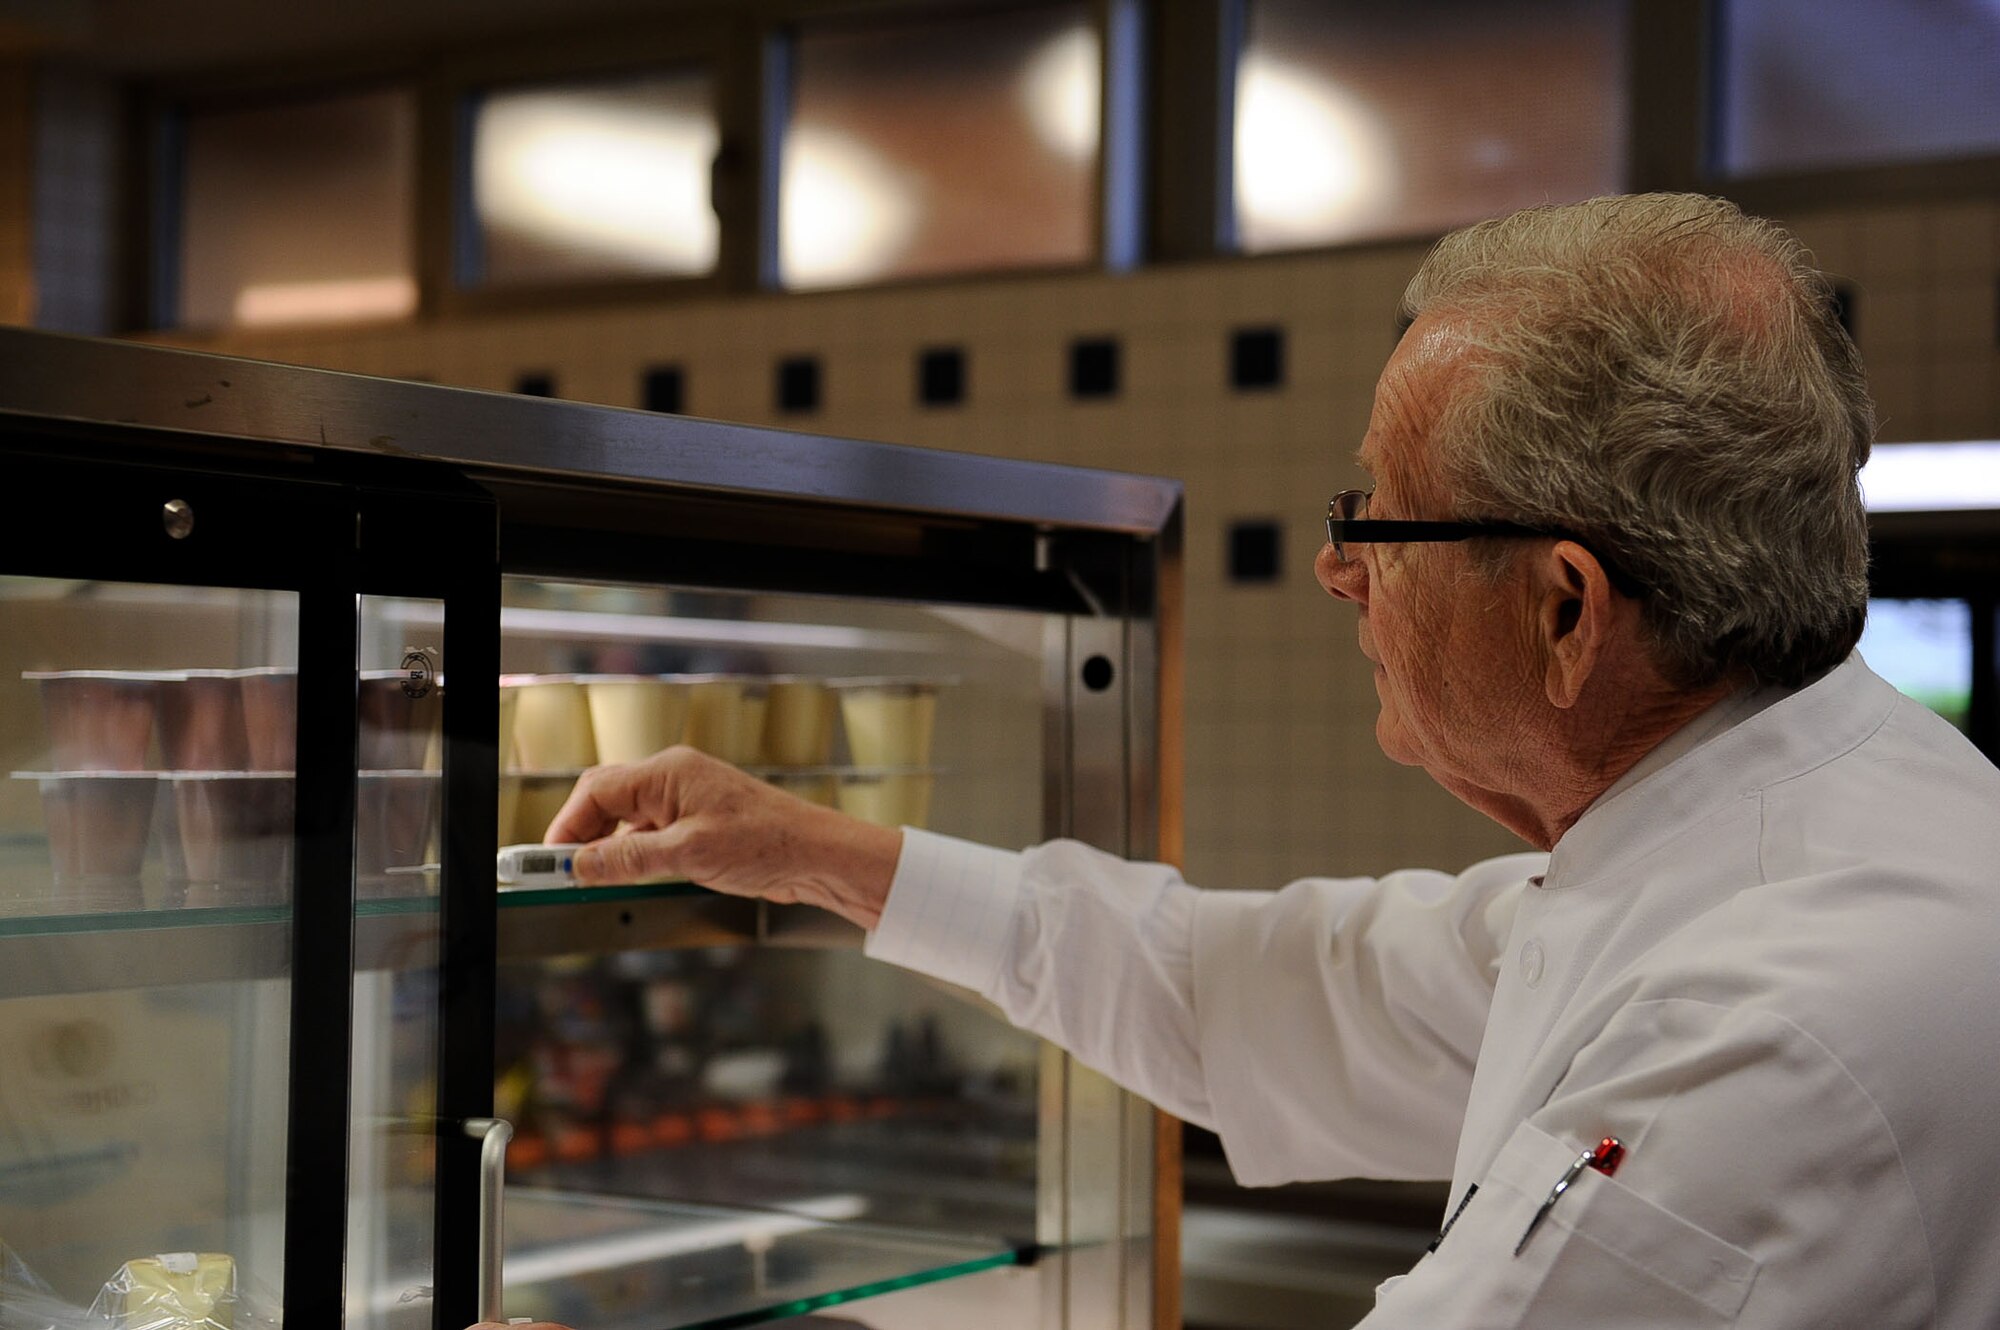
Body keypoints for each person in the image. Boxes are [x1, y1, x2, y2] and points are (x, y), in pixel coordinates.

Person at [532, 194, 2000, 1327]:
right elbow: (1268, 982)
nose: (1333, 568)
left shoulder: (1768, 1025)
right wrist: (809, 849)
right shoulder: (1757, 830)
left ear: (1565, 609)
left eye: (1379, 516)